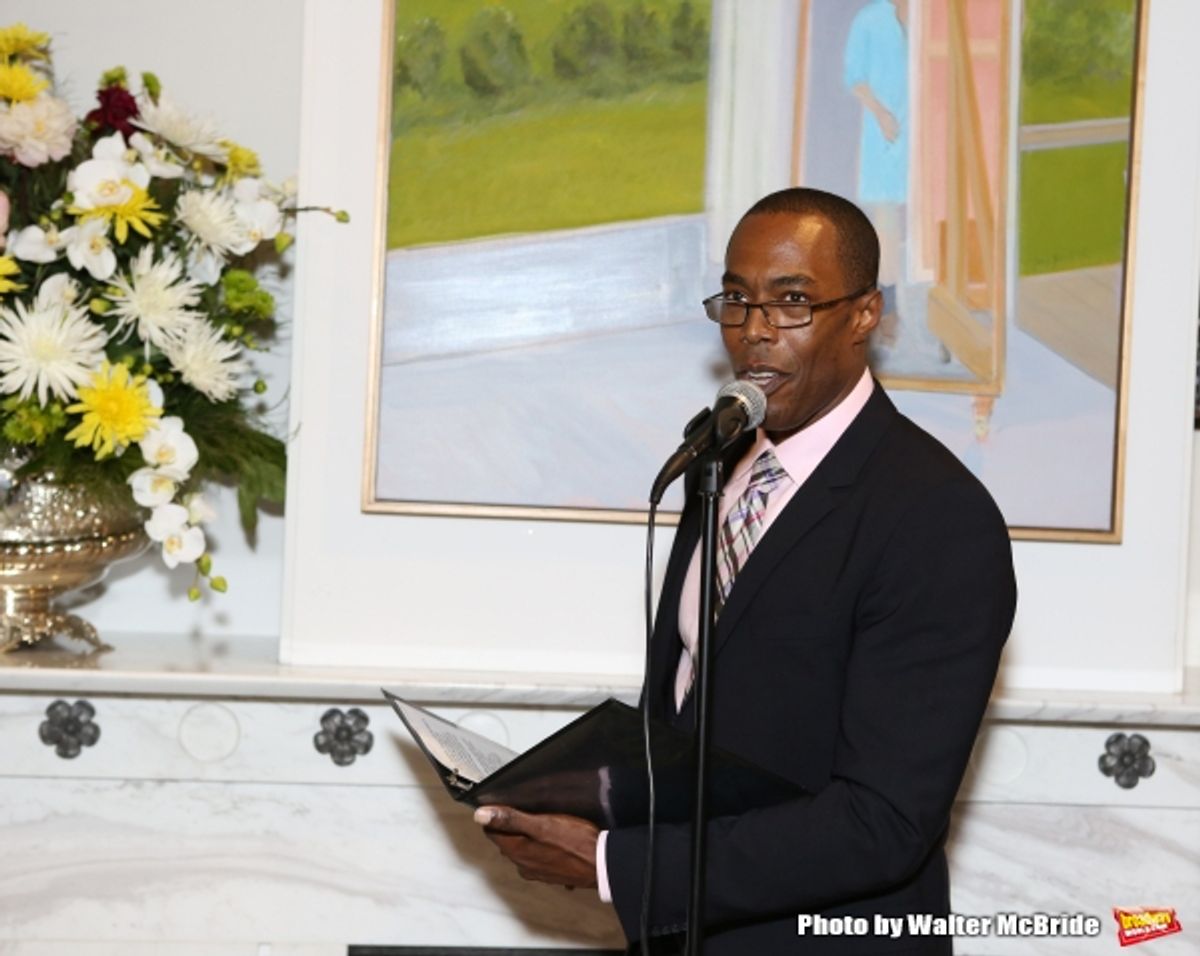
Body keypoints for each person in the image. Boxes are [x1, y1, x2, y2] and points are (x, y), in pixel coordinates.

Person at [474, 188, 1017, 954]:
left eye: (791, 302)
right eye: (736, 300)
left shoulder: (936, 519)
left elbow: (884, 823)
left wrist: (618, 866)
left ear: (864, 314)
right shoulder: (720, 457)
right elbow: (695, 703)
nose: (756, 333)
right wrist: (588, 796)